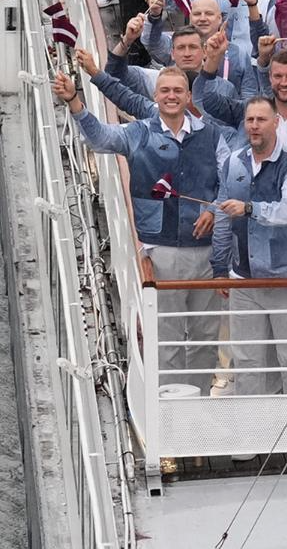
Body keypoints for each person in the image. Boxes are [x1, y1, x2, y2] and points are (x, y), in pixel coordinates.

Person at [53, 66, 229, 393]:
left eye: (178, 90)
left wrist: (213, 210)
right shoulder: (139, 132)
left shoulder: (212, 135)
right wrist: (75, 102)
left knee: (205, 334)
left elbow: (230, 181)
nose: (172, 96)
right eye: (165, 91)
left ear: (188, 96)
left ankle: (199, 401)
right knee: (167, 335)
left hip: (206, 251)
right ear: (156, 96)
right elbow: (101, 138)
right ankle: (170, 405)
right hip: (161, 250)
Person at [211, 96, 287, 396]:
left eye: (261, 120)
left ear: (276, 123)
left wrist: (249, 209)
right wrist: (220, 267)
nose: (254, 126)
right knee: (246, 361)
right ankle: (251, 423)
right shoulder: (233, 161)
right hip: (243, 279)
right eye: (250, 120)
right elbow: (222, 215)